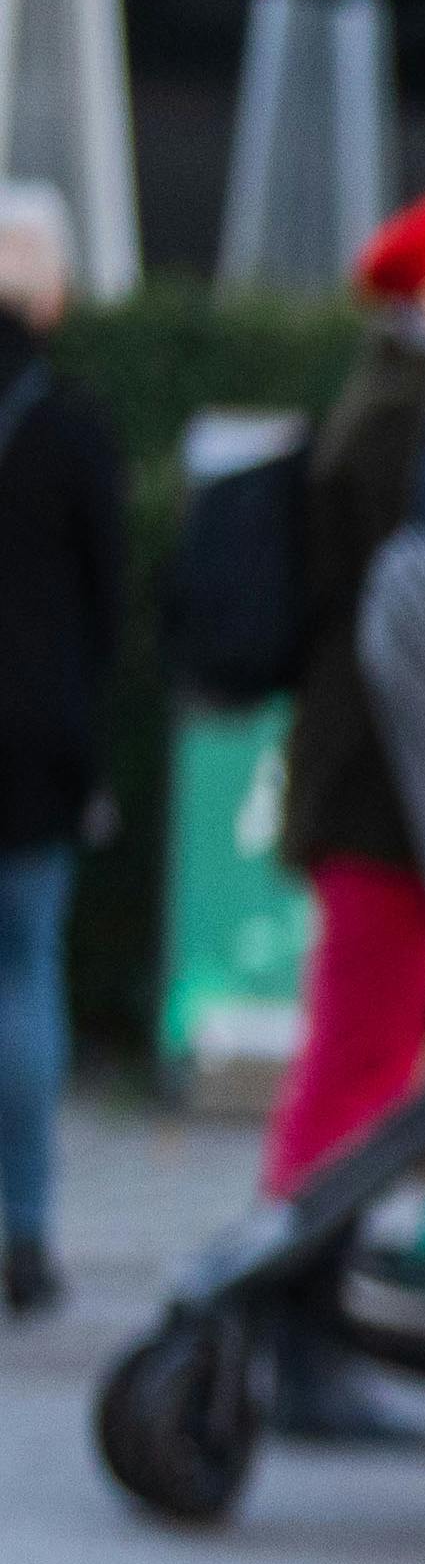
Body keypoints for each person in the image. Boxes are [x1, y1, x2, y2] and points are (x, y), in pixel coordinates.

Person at [261, 181, 425, 1211]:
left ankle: (312, 1240)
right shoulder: (408, 420)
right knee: (361, 1050)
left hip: (380, 783)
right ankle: (293, 1250)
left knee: (379, 1041)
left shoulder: (398, 402)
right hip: (378, 790)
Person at [0, 183, 120, 1323]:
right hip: (35, 743)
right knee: (26, 976)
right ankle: (25, 1229)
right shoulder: (76, 422)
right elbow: (107, 604)